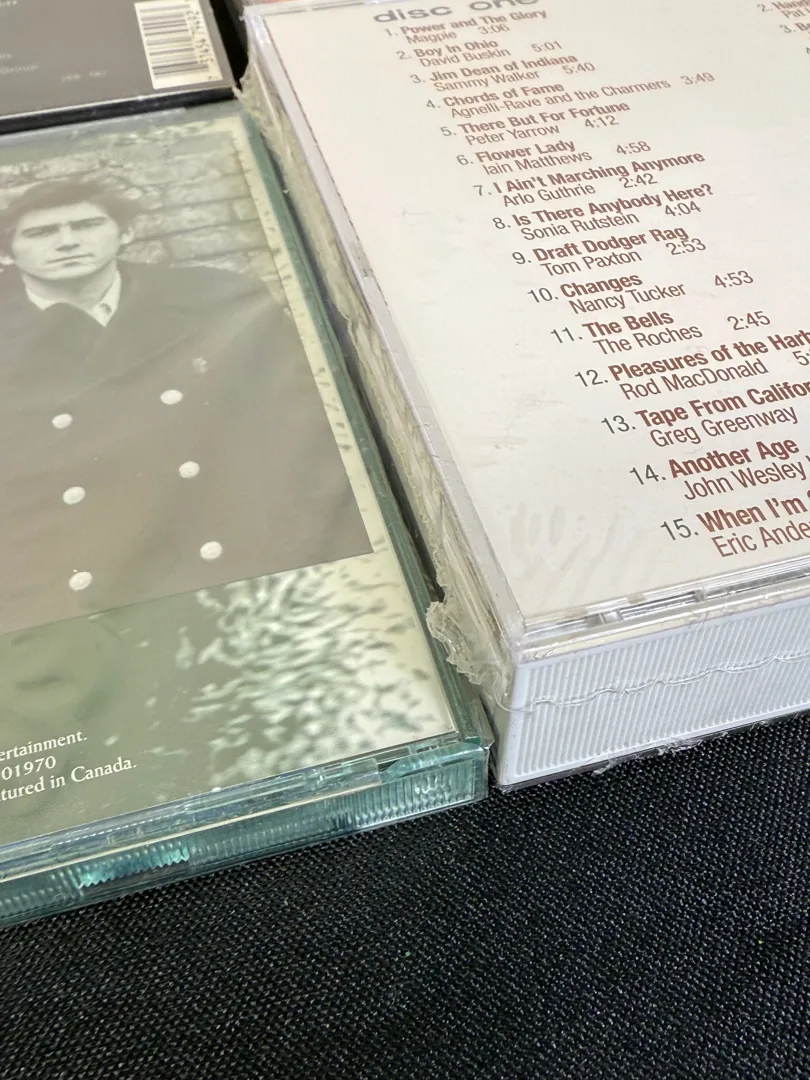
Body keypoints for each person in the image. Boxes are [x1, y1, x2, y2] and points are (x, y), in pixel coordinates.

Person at [0, 177, 370, 636]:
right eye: (41, 233)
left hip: (234, 560)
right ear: (8, 253)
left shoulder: (216, 298)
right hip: (71, 592)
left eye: (87, 225)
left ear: (126, 233)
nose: (67, 241)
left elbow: (303, 431)